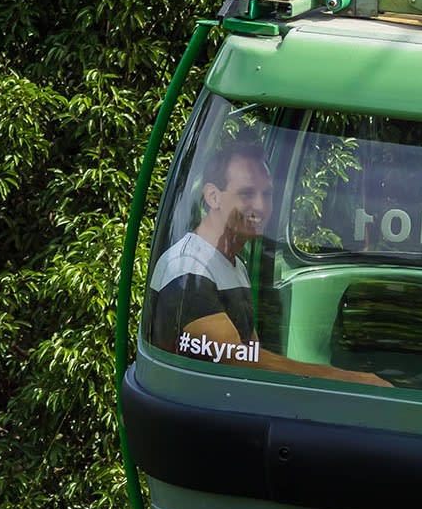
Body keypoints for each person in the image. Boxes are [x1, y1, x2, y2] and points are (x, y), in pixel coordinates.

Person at [149, 134, 385, 384]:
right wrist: (346, 379)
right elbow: (237, 360)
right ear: (213, 196)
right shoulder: (189, 268)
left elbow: (252, 356)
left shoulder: (233, 264)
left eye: (268, 194)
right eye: (247, 194)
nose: (260, 206)